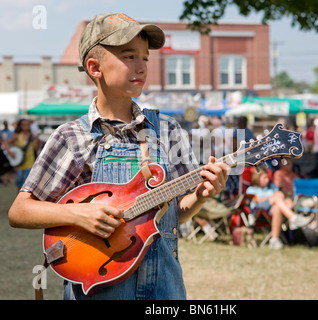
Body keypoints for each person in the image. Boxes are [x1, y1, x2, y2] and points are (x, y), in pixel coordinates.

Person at [8, 13, 230, 300]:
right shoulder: (72, 137)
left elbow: (172, 217)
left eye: (145, 58)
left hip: (165, 290)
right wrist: (80, 214)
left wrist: (201, 195)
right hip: (98, 286)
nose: (141, 66)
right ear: (94, 67)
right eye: (129, 56)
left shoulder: (167, 130)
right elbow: (20, 211)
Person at [246, 168, 312, 250]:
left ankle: (274, 240)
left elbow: (280, 198)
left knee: (277, 206)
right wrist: (273, 197)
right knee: (277, 195)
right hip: (260, 212)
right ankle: (293, 217)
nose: (267, 180)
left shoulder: (270, 188)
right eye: (264, 178)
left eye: (267, 177)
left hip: (273, 211)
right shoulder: (252, 189)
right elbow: (257, 200)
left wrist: (287, 201)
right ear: (257, 178)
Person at [3, 118, 40, 190]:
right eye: (23, 125)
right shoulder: (17, 136)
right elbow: (5, 143)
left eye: (27, 125)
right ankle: (19, 199)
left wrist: (36, 140)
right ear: (20, 126)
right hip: (19, 164)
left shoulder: (32, 136)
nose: (25, 126)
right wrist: (10, 152)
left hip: (30, 163)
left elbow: (36, 149)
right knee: (19, 184)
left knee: (28, 185)